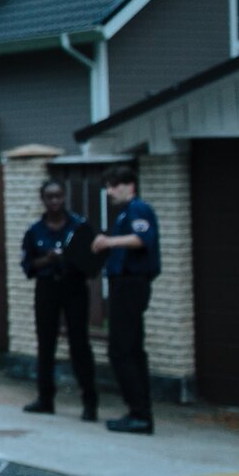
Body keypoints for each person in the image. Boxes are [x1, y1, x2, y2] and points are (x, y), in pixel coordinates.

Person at [20, 179, 100, 422]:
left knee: (79, 343)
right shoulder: (35, 231)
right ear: (43, 200)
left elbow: (92, 262)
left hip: (74, 286)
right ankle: (45, 398)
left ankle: (90, 402)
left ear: (64, 197)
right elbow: (28, 265)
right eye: (49, 197)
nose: (54, 201)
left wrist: (69, 259)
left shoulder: (79, 227)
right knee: (46, 342)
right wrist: (48, 260)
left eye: (58, 196)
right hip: (46, 287)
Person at [91, 164, 160, 434]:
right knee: (131, 349)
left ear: (129, 185)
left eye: (114, 186)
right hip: (125, 284)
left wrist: (110, 242)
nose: (109, 192)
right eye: (108, 187)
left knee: (122, 349)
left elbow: (143, 239)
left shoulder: (138, 209)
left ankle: (139, 413)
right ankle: (139, 411)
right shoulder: (125, 214)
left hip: (131, 284)